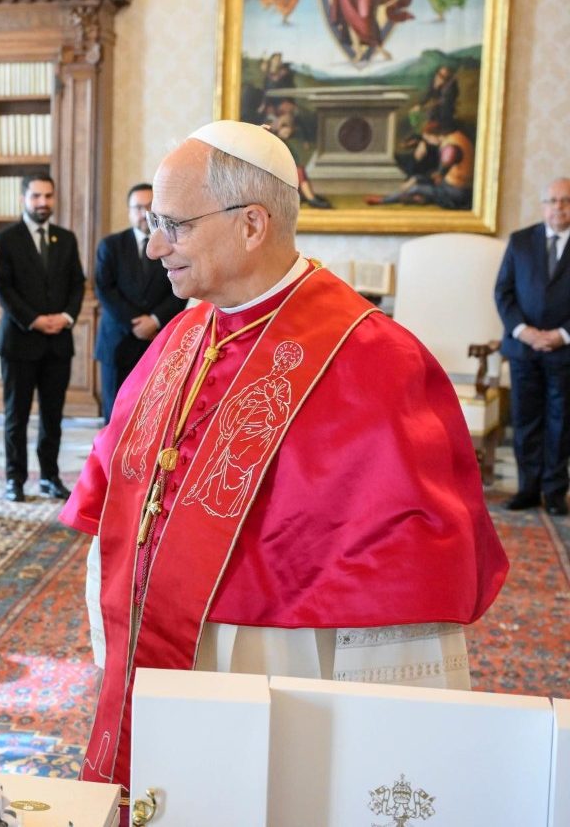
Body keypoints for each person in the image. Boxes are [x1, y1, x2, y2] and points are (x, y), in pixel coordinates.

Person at [60, 120, 508, 787]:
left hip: (280, 671)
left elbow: (405, 594)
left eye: (174, 225)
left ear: (251, 224)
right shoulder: (181, 336)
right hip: (161, 659)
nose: (154, 247)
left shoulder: (376, 360)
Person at [0, 172, 85, 503]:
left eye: (48, 196)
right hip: (19, 342)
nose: (43, 203)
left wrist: (66, 317)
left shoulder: (66, 238)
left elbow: (77, 284)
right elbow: (2, 287)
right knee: (16, 416)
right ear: (23, 199)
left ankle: (50, 477)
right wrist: (33, 320)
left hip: (58, 342)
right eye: (36, 197)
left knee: (53, 416)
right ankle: (14, 479)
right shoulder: (4, 240)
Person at [494, 177, 570, 515]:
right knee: (525, 420)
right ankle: (527, 489)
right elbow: (503, 292)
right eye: (552, 200)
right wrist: (524, 331)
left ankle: (554, 493)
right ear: (543, 205)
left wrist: (562, 334)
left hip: (565, 351)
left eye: (565, 201)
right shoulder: (521, 241)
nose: (558, 207)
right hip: (524, 349)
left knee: (561, 422)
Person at [93, 183, 186, 423]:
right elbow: (104, 289)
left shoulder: (173, 245)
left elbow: (180, 289)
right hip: (117, 341)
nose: (143, 214)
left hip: (158, 341)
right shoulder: (111, 245)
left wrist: (154, 320)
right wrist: (136, 323)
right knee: (115, 417)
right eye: (137, 208)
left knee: (153, 418)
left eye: (149, 207)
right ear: (129, 211)